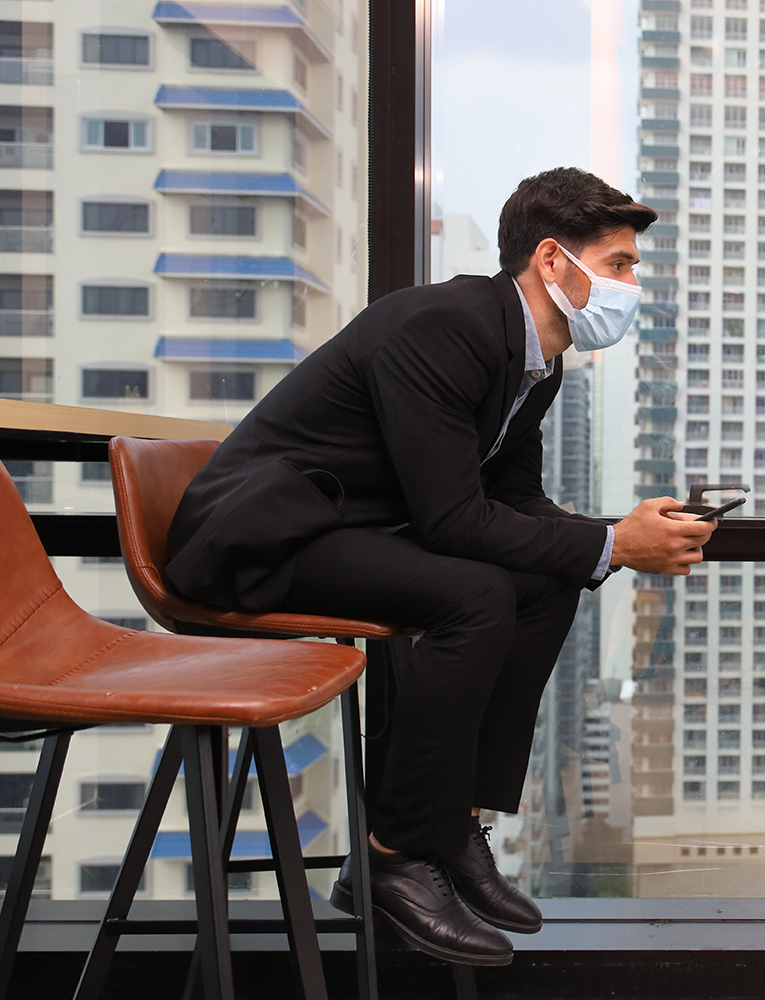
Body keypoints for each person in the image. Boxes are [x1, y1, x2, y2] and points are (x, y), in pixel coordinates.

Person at [164, 167, 716, 966]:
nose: (635, 282)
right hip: (257, 539)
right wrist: (611, 545)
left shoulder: (536, 360)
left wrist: (610, 537)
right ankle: (391, 854)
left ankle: (453, 823)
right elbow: (454, 521)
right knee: (478, 594)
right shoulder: (445, 326)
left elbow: (515, 501)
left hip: (352, 528)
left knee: (546, 578)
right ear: (553, 261)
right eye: (622, 263)